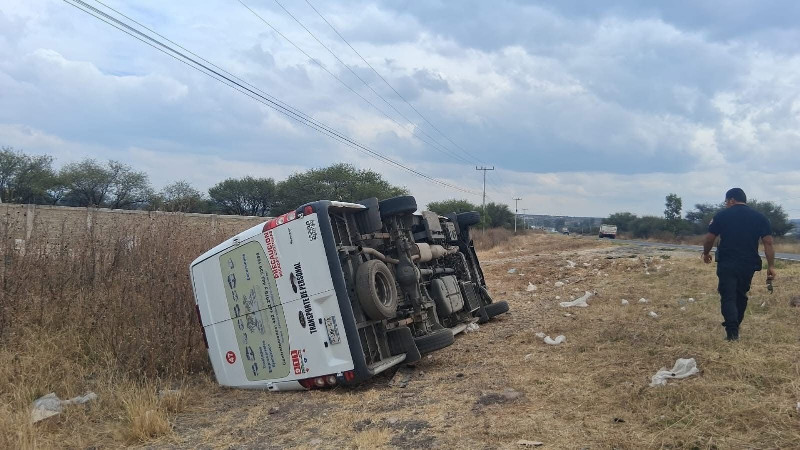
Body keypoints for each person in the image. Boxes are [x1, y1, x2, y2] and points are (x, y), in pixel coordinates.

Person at [702, 188, 776, 341]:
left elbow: (710, 237)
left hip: (727, 262)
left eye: (726, 202)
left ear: (731, 200)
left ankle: (732, 331)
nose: (726, 205)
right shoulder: (760, 217)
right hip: (748, 264)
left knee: (728, 295)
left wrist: (706, 252)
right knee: (741, 295)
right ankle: (735, 327)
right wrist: (771, 266)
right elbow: (768, 242)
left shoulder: (722, 215)